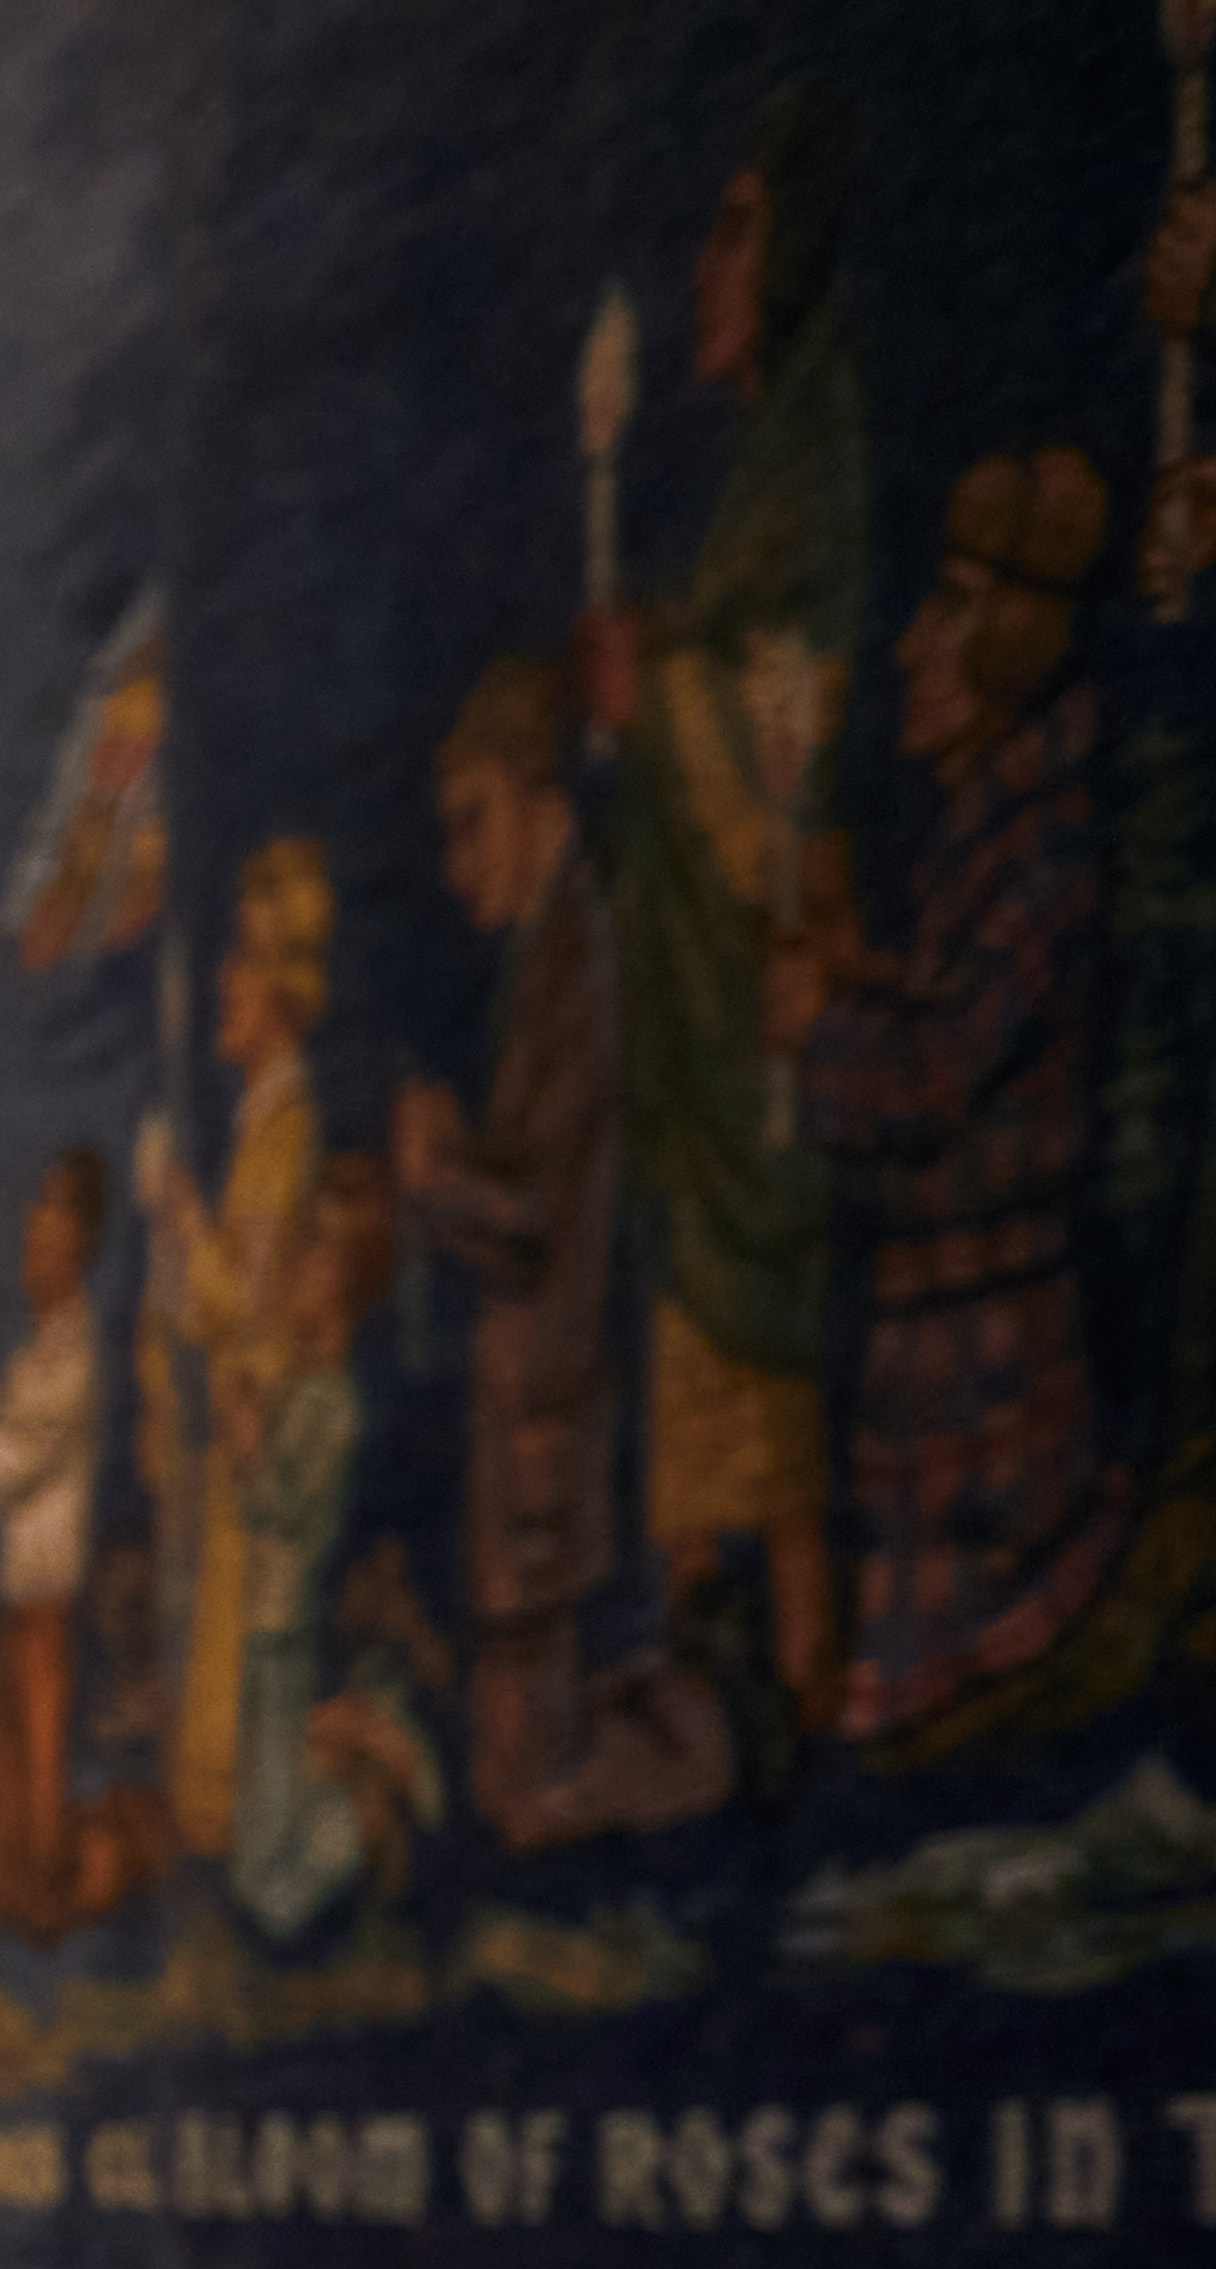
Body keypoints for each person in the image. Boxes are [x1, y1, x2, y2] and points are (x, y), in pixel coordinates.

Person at [593, 93, 865, 1734]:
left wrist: (660, 697)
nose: (707, 267)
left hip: (762, 955)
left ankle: (804, 1656)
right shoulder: (768, 467)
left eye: (739, 228)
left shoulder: (816, 460)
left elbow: (791, 733)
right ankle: (710, 1642)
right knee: (702, 1306)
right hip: (703, 996)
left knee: (760, 1301)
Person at [789, 449, 1121, 1745]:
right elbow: (941, 999)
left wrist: (820, 1022)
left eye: (954, 609)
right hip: (938, 1397)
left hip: (994, 1400)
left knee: (939, 1738)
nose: (914, 647)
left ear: (1013, 641)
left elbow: (935, 1073)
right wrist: (853, 970)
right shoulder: (987, 827)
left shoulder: (1039, 845)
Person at [401, 655, 730, 1844]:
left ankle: (714, 1739)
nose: (458, 862)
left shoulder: (576, 953)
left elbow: (536, 1213)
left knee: (523, 1794)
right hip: (528, 1404)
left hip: (548, 1399)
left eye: (472, 822)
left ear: (539, 795)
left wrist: (435, 1174)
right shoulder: (547, 953)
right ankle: (684, 1715)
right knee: (514, 1776)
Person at [144, 840, 339, 1862]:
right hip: (233, 1431)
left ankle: (249, 1830)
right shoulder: (264, 1124)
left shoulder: (286, 1129)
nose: (224, 983)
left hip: (260, 1436)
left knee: (246, 1657)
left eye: (240, 964)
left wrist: (184, 1226)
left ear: (278, 988)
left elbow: (246, 1302)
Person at [233, 1162, 436, 1940]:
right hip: (263, 1622)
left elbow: (287, 1514)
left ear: (349, 1284)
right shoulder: (303, 1385)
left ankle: (368, 1801)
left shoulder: (336, 1404)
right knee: (259, 1867)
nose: (296, 1262)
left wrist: (252, 1452)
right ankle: (354, 1748)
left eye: (315, 1250)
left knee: (272, 1892)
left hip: (287, 1629)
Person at [0, 1151, 116, 1931]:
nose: (30, 1252)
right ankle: (16, 1881)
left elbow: (19, 1455)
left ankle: (47, 1884)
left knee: (41, 1733)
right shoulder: (35, 1350)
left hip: (46, 1582)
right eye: (28, 1241)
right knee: (12, 1735)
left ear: (79, 1245)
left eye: (46, 1239)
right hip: (18, 1579)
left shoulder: (74, 1353)